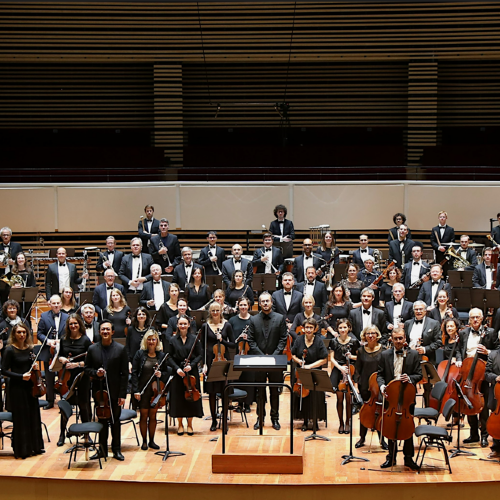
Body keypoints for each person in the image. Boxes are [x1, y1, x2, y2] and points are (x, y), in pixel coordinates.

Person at [377, 327, 422, 470]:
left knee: (407, 427)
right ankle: (391, 458)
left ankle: (408, 458)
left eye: (400, 338)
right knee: (390, 426)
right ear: (391, 339)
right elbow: (380, 375)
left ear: (405, 339)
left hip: (407, 397)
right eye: (395, 338)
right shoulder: (384, 355)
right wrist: (382, 386)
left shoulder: (413, 354)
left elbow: (419, 374)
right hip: (391, 396)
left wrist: (409, 378)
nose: (398, 341)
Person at [85, 320, 128, 461]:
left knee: (115, 421)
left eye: (108, 329)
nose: (105, 332)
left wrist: (123, 394)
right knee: (102, 422)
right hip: (99, 392)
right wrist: (95, 373)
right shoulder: (92, 349)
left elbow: (124, 374)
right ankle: (102, 450)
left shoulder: (121, 349)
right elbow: (87, 370)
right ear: (99, 331)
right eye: (103, 329)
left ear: (112, 332)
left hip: (115, 392)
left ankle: (116, 450)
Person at [1, 323, 44, 459]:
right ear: (14, 334)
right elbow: (3, 371)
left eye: (24, 332)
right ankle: (22, 449)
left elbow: (30, 366)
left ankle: (35, 447)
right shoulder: (9, 350)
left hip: (30, 387)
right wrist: (21, 376)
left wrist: (35, 367)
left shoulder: (30, 349)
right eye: (19, 332)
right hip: (17, 388)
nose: (22, 335)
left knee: (33, 415)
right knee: (21, 418)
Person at [458, 308, 498, 448]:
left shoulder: (490, 332)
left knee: (484, 405)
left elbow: (498, 350)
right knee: (469, 402)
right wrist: (458, 360)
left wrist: (488, 352)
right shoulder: (463, 333)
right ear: (469, 319)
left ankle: (484, 435)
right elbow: (459, 349)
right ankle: (473, 434)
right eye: (472, 317)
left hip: (483, 373)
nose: (475, 320)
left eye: (478, 317)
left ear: (482, 319)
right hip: (468, 373)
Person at [247, 292, 287, 431]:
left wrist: (274, 355)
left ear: (271, 303)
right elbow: (251, 341)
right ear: (259, 303)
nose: (265, 303)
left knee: (275, 391)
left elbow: (283, 339)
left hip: (275, 361)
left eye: (267, 301)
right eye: (262, 301)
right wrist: (262, 356)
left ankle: (275, 418)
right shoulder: (253, 320)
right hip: (259, 361)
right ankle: (260, 418)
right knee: (260, 392)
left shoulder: (280, 318)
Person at [56, 314, 92, 446]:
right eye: (71, 324)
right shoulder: (64, 339)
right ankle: (61, 435)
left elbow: (90, 360)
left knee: (84, 405)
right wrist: (62, 359)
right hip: (67, 378)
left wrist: (77, 364)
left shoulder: (85, 340)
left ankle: (87, 434)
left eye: (75, 323)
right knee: (65, 406)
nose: (73, 326)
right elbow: (60, 355)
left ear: (80, 324)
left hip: (82, 377)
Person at [131, 329, 170, 450]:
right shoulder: (139, 354)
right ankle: (144, 441)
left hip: (155, 390)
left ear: (157, 341)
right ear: (145, 341)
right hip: (142, 389)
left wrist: (160, 374)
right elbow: (134, 373)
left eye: (153, 339)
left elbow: (166, 372)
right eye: (149, 339)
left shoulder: (161, 356)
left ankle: (152, 441)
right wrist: (136, 390)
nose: (151, 341)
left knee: (153, 416)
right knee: (143, 415)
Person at [201, 301, 235, 431]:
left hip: (224, 362)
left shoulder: (227, 325)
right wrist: (204, 364)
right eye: (213, 311)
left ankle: (225, 420)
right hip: (210, 361)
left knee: (224, 391)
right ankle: (214, 420)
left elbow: (233, 344)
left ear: (221, 311)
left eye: (217, 310)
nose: (215, 313)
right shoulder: (205, 326)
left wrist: (223, 340)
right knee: (212, 392)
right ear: (210, 312)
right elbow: (202, 347)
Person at [168, 314, 204, 435]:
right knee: (178, 398)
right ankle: (179, 424)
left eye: (185, 324)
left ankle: (189, 424)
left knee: (191, 398)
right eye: (180, 324)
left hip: (191, 372)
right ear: (177, 325)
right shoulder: (172, 340)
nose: (183, 326)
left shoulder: (194, 339)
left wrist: (191, 365)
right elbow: (169, 357)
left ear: (188, 325)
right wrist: (177, 368)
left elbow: (200, 354)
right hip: (178, 373)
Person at [291, 318, 328, 431]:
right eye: (306, 327)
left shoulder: (319, 341)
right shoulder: (298, 340)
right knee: (304, 396)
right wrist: (300, 362)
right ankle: (305, 421)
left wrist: (310, 366)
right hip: (301, 373)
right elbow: (292, 355)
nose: (308, 330)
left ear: (315, 329)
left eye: (311, 327)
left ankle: (315, 420)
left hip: (315, 372)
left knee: (315, 396)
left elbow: (324, 359)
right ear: (303, 328)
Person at [354, 325, 387, 449]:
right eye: (368, 333)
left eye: (373, 333)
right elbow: (357, 369)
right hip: (365, 386)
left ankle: (382, 439)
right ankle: (362, 438)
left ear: (377, 335)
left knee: (380, 413)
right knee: (365, 411)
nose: (371, 335)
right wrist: (356, 385)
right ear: (364, 335)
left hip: (379, 386)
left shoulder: (383, 351)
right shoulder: (361, 351)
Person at [404, 300, 442, 406]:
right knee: (410, 385)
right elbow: (405, 340)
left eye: (421, 309)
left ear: (425, 311)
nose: (418, 311)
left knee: (428, 387)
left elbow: (439, 342)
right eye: (416, 309)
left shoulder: (434, 323)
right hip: (410, 359)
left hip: (426, 358)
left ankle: (428, 412)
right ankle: (410, 410)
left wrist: (425, 349)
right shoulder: (408, 323)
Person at [37, 294, 69, 409]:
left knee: (64, 376)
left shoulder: (67, 316)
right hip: (48, 351)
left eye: (58, 303)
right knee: (49, 378)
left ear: (61, 304)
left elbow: (69, 333)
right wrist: (48, 341)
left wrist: (62, 341)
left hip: (62, 351)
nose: (56, 305)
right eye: (53, 303)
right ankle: (50, 400)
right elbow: (39, 333)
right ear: (49, 304)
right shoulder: (44, 316)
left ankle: (65, 400)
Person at [329, 318, 360, 434]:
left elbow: (359, 357)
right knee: (339, 399)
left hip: (350, 370)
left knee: (349, 400)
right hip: (338, 371)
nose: (342, 330)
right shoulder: (333, 341)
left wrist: (351, 357)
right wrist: (340, 368)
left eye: (345, 327)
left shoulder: (354, 341)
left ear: (349, 328)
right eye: (340, 327)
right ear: (337, 329)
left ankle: (348, 422)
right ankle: (341, 423)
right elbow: (331, 358)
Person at [228, 296, 254, 413]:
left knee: (248, 378)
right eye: (241, 305)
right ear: (238, 306)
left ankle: (247, 403)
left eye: (245, 305)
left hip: (249, 352)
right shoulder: (232, 320)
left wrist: (249, 338)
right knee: (237, 377)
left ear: (249, 306)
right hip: (237, 352)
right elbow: (229, 336)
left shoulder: (253, 320)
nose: (243, 307)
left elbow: (257, 336)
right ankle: (239, 403)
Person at [0, 227, 23, 306]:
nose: (5, 237)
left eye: (7, 235)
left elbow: (21, 259)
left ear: (10, 236)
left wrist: (13, 262)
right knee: (2, 298)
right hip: (2, 276)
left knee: (15, 299)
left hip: (14, 275)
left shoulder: (17, 246)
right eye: (4, 235)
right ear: (1, 236)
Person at [485, 345, 500, 459]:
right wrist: (496, 378)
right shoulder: (493, 355)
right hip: (497, 394)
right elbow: (486, 374)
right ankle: (496, 448)